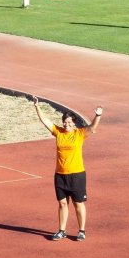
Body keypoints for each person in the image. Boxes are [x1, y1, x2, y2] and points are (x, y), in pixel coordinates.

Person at [33, 96, 103, 242]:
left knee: (78, 203)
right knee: (62, 203)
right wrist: (37, 107)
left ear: (74, 123)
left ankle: (81, 231)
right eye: (64, 122)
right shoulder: (58, 132)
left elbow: (92, 128)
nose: (66, 125)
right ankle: (61, 231)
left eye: (69, 122)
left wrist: (98, 115)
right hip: (60, 175)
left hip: (77, 175)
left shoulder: (79, 134)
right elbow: (45, 121)